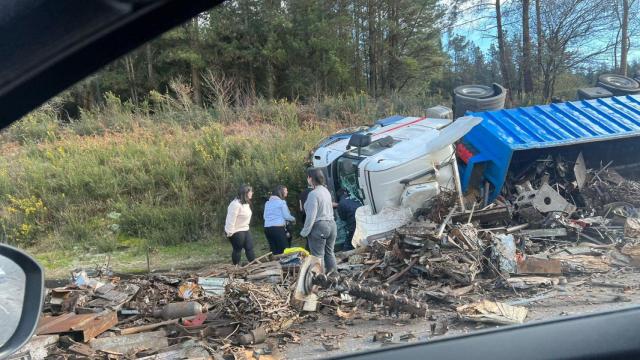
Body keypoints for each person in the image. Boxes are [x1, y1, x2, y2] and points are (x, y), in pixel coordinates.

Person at [300, 168, 337, 273]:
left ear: (311, 179)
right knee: (330, 253)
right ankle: (335, 277)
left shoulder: (313, 194)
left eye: (308, 177)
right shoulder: (326, 191)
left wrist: (304, 232)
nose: (307, 179)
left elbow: (311, 215)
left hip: (320, 226)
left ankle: (321, 281)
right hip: (332, 225)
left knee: (317, 256)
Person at [224, 185, 256, 265]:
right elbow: (230, 219)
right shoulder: (235, 204)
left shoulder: (246, 203)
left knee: (250, 247)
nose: (252, 193)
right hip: (236, 230)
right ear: (246, 193)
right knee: (237, 249)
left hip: (245, 229)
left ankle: (254, 266)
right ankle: (236, 267)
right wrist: (230, 233)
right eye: (251, 191)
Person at [263, 185, 296, 255]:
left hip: (267, 229)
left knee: (274, 250)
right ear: (281, 192)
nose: (287, 192)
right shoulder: (281, 202)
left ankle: (274, 264)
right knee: (285, 250)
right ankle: (285, 265)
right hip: (278, 229)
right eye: (286, 190)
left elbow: (264, 216)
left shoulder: (267, 203)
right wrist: (293, 219)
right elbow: (286, 216)